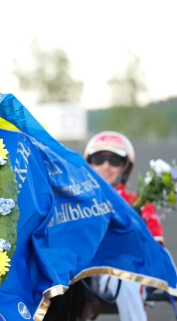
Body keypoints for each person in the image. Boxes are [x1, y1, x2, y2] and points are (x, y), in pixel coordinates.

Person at [84, 131, 165, 321]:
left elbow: (156, 251)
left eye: (114, 161)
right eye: (99, 159)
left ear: (125, 167)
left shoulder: (140, 203)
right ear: (88, 164)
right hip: (80, 273)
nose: (106, 166)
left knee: (127, 278)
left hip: (120, 273)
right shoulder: (73, 202)